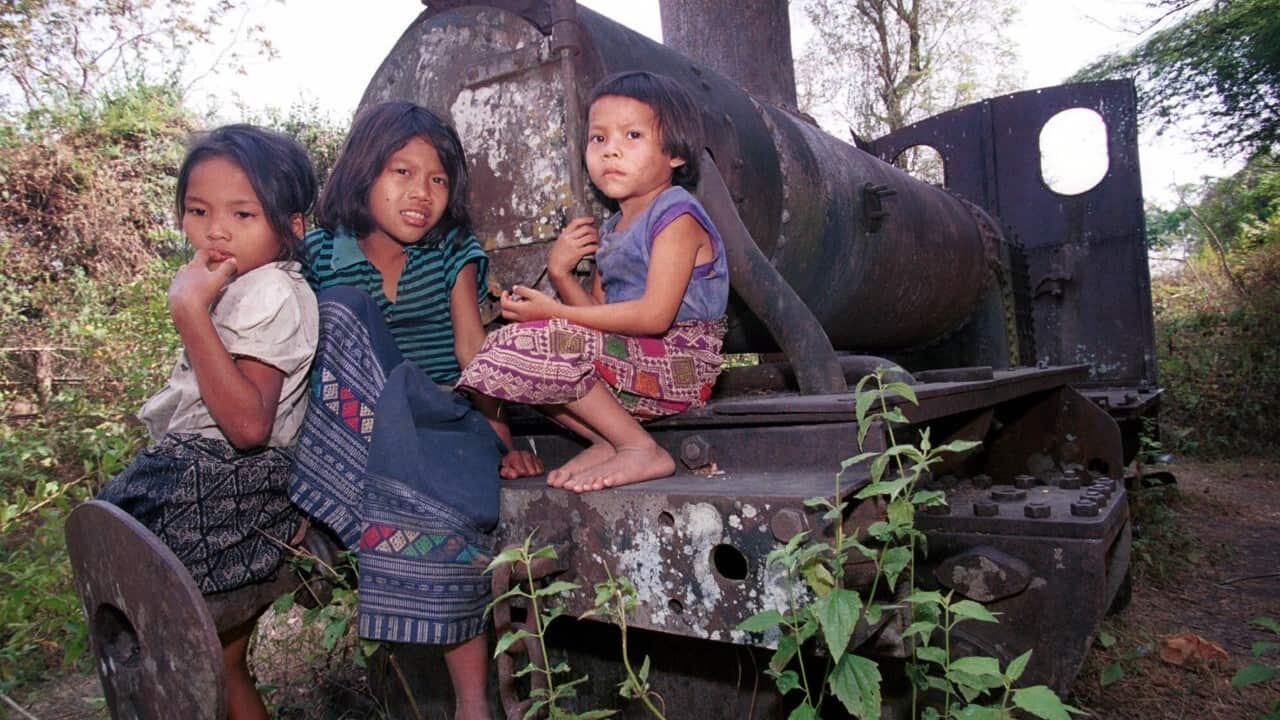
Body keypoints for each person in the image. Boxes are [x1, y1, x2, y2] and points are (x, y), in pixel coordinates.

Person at [290, 101, 540, 720]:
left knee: (435, 495)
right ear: (362, 173)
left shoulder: (450, 250)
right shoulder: (320, 252)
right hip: (362, 434)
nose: (420, 193)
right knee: (342, 309)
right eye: (401, 172)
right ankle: (320, 500)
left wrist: (503, 445)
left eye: (436, 179)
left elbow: (472, 354)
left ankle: (470, 706)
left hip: (440, 430)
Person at [97, 124, 319, 720]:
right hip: (220, 479)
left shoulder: (268, 287)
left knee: (111, 548)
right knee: (221, 665)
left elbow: (248, 425)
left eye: (242, 214)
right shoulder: (244, 284)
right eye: (198, 211)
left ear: (292, 227)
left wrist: (188, 310)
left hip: (222, 481)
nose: (215, 230)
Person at [457, 71, 729, 493]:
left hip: (681, 363)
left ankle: (641, 449)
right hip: (636, 358)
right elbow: (596, 316)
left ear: (675, 152)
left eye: (632, 135)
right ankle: (609, 439)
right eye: (598, 139)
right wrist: (561, 272)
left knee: (539, 340)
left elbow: (655, 317)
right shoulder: (616, 227)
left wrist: (552, 313)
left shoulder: (677, 214)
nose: (611, 152)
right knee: (503, 350)